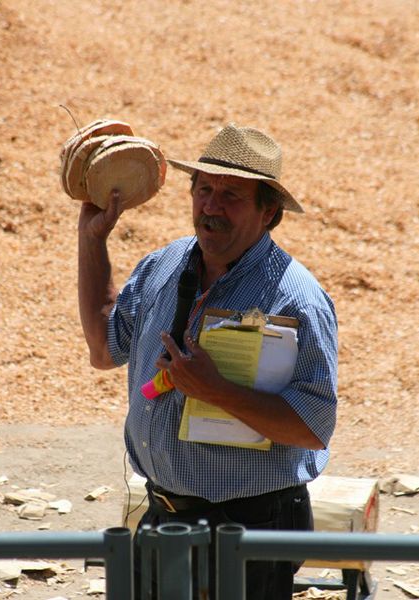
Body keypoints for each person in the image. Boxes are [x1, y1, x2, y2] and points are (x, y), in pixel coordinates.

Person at [77, 123, 338, 599]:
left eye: (232, 195)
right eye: (203, 189)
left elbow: (312, 428)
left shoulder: (296, 299)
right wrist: (92, 240)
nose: (211, 205)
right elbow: (102, 350)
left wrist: (216, 391)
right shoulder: (163, 266)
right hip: (163, 516)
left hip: (250, 526)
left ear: (270, 214)